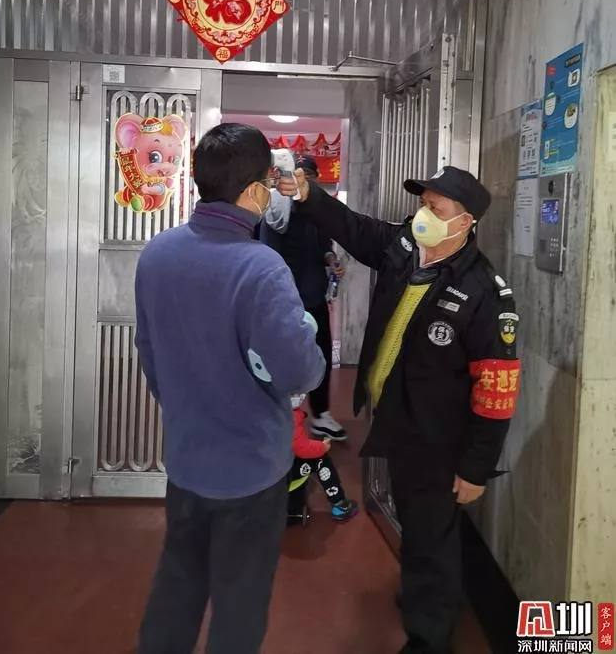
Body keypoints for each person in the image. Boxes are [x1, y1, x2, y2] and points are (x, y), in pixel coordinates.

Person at [277, 165, 522, 654]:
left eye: (435, 207)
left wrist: (475, 467)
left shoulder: (485, 293)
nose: (422, 214)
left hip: (439, 437)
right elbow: (355, 228)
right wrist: (309, 195)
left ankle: (430, 636)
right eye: (422, 203)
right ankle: (420, 597)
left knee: (431, 536)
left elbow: (497, 389)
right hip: (400, 418)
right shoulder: (405, 247)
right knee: (416, 520)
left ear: (466, 221)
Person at [134, 123, 326, 654]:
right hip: (251, 470)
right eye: (267, 182)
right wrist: (308, 345)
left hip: (187, 458)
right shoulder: (260, 267)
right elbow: (299, 372)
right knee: (240, 602)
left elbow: (149, 354)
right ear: (254, 189)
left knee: (177, 584)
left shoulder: (158, 253)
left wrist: (188, 406)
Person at [260, 155, 347, 442]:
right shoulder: (276, 210)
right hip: (284, 302)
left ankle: (320, 415)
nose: (302, 182)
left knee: (321, 356)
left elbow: (324, 246)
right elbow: (266, 253)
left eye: (308, 177)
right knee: (282, 358)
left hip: (314, 297)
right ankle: (281, 418)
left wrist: (331, 259)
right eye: (297, 176)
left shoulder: (318, 212)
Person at [287, 393, 358, 524]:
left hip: (257, 476)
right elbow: (300, 447)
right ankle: (340, 504)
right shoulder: (288, 416)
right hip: (282, 476)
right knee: (320, 459)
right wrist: (322, 447)